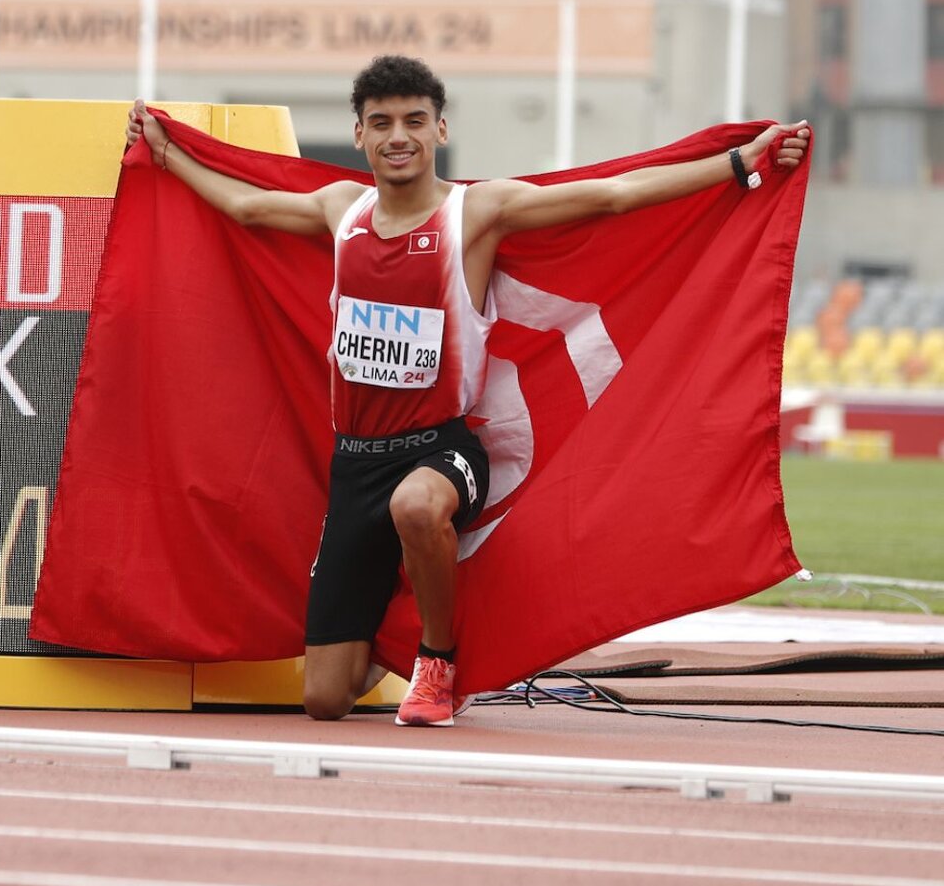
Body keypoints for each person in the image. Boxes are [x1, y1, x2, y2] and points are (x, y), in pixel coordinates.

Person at [125, 55, 809, 726]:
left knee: (417, 506)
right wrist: (167, 156)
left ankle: (437, 659)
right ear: (358, 133)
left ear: (439, 131)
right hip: (354, 464)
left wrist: (738, 164)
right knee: (324, 700)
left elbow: (612, 195)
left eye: (415, 121)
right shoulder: (343, 211)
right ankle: (389, 626)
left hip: (440, 451)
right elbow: (245, 207)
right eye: (382, 121)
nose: (399, 135)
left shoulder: (476, 213)